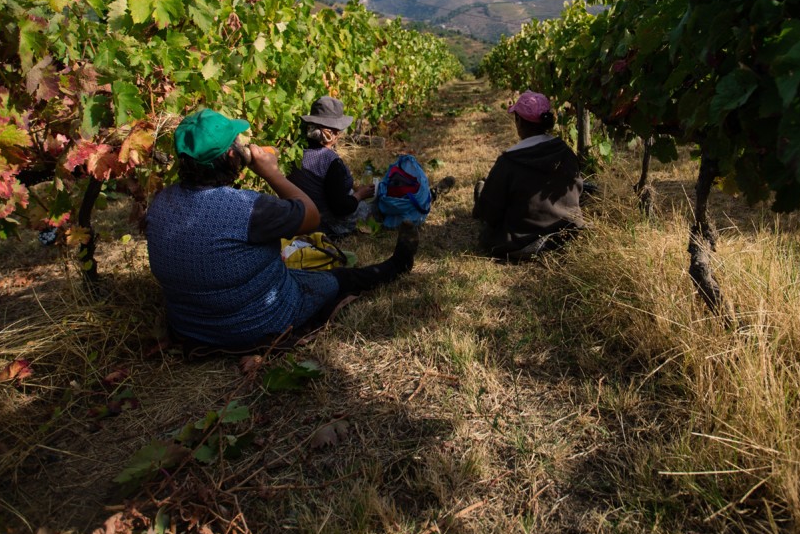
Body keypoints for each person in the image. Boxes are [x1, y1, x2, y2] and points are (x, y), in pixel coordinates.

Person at [144, 107, 418, 351]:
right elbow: (309, 216)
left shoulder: (160, 203)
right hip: (255, 324)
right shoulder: (248, 208)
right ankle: (396, 266)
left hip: (191, 328)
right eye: (237, 143)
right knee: (338, 279)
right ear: (230, 156)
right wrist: (271, 173)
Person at [472, 90, 584, 261]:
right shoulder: (566, 153)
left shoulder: (508, 161)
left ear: (519, 122)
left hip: (520, 242)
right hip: (565, 235)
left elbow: (490, 214)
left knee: (484, 199)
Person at [286, 96, 376, 238]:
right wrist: (360, 195)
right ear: (330, 134)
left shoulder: (294, 152)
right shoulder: (331, 162)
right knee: (374, 207)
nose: (339, 135)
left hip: (298, 218)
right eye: (337, 131)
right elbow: (341, 208)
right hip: (325, 223)